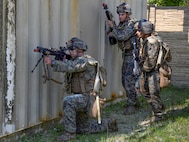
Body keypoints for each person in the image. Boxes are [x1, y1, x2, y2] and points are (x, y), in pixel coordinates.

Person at [44, 37, 118, 141]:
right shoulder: (77, 60)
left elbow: (70, 67)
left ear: (79, 50)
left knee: (68, 101)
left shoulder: (84, 61)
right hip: (83, 96)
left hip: (87, 98)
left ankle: (69, 134)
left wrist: (52, 63)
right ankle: (109, 124)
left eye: (72, 50)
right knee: (84, 129)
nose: (70, 52)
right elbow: (70, 65)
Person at [107, 3, 138, 115]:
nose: (120, 16)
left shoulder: (131, 24)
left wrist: (112, 28)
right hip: (126, 55)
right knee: (125, 81)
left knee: (128, 81)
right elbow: (117, 35)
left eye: (122, 14)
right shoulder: (122, 24)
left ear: (128, 14)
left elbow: (122, 36)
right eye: (119, 14)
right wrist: (112, 30)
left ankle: (131, 105)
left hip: (133, 56)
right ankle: (133, 100)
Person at [136, 19, 164, 124]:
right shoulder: (145, 40)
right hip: (147, 71)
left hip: (152, 72)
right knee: (144, 91)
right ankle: (157, 107)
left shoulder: (152, 42)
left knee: (153, 94)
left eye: (139, 30)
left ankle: (158, 116)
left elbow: (151, 62)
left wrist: (142, 69)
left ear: (145, 31)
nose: (137, 32)